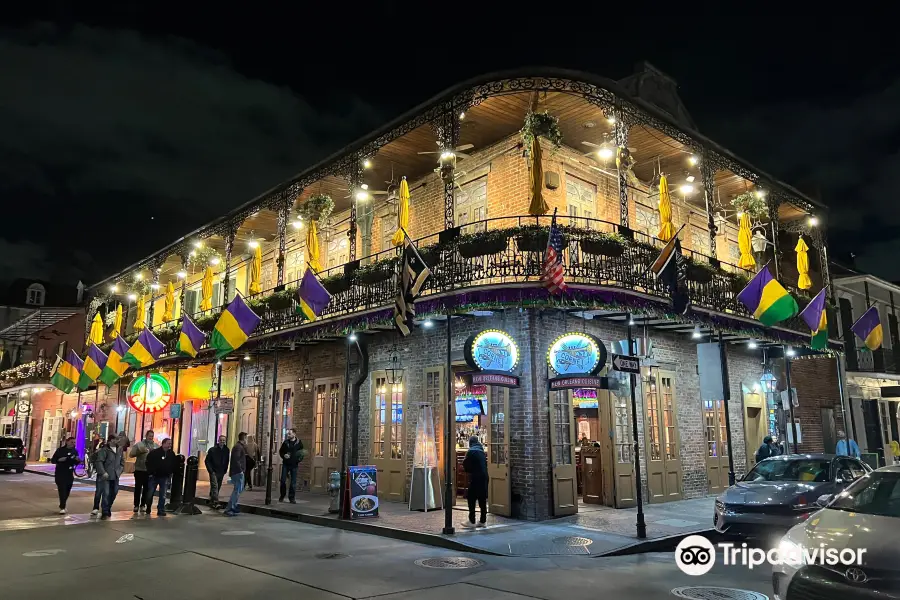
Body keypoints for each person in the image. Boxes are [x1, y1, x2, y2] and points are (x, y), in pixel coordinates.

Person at [95, 434, 125, 519]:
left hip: (115, 475)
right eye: (116, 439)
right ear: (111, 440)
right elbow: (99, 461)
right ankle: (105, 511)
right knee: (106, 493)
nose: (118, 441)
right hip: (106, 476)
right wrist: (103, 472)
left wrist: (119, 471)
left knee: (114, 492)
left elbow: (122, 461)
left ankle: (108, 507)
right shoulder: (105, 450)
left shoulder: (119, 449)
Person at [462, 435, 489, 529]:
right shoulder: (481, 451)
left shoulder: (471, 451)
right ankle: (483, 520)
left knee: (471, 498)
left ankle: (472, 520)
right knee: (482, 499)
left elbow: (465, 464)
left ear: (470, 443)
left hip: (476, 477)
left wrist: (468, 470)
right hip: (484, 477)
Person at [145, 438, 176, 516]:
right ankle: (148, 506)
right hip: (154, 476)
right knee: (150, 493)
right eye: (168, 443)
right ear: (164, 443)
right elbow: (148, 462)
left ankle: (161, 509)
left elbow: (173, 464)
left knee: (163, 494)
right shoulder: (155, 453)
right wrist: (150, 472)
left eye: (170, 444)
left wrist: (170, 473)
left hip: (164, 476)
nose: (170, 445)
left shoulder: (171, 454)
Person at [129, 430, 158, 513]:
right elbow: (131, 454)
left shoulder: (155, 446)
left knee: (146, 489)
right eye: (149, 436)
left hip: (149, 471)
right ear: (146, 436)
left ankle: (143, 505)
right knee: (138, 488)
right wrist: (140, 451)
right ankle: (136, 505)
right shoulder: (139, 444)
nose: (151, 438)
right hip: (139, 470)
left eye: (152, 436)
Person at [50, 437, 80, 514]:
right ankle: (63, 507)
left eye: (74, 442)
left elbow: (76, 462)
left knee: (67, 490)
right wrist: (59, 460)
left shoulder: (75, 451)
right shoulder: (60, 450)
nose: (73, 444)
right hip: (60, 473)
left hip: (69, 473)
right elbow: (53, 460)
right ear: (67, 442)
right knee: (62, 490)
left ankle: (62, 504)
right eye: (71, 442)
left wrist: (77, 460)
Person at [224, 432, 247, 517]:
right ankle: (230, 508)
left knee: (238, 490)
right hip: (238, 472)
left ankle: (232, 506)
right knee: (237, 490)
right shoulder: (238, 447)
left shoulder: (239, 447)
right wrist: (240, 470)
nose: (247, 440)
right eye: (246, 438)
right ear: (244, 438)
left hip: (237, 472)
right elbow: (236, 459)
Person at [279, 428, 304, 503]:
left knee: (293, 482)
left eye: (290, 434)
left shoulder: (299, 443)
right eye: (288, 434)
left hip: (294, 465)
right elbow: (281, 451)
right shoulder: (286, 442)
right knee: (283, 481)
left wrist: (298, 460)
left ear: (294, 434)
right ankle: (282, 495)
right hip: (286, 464)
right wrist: (284, 455)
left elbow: (302, 453)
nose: (288, 435)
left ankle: (291, 498)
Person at [205, 435, 230, 509]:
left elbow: (227, 460)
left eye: (224, 440)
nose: (222, 442)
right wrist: (211, 470)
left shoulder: (226, 450)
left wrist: (225, 469)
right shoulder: (212, 450)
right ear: (218, 440)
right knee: (215, 486)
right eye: (221, 440)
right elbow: (207, 461)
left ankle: (212, 500)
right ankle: (216, 502)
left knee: (217, 486)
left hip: (221, 471)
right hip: (214, 471)